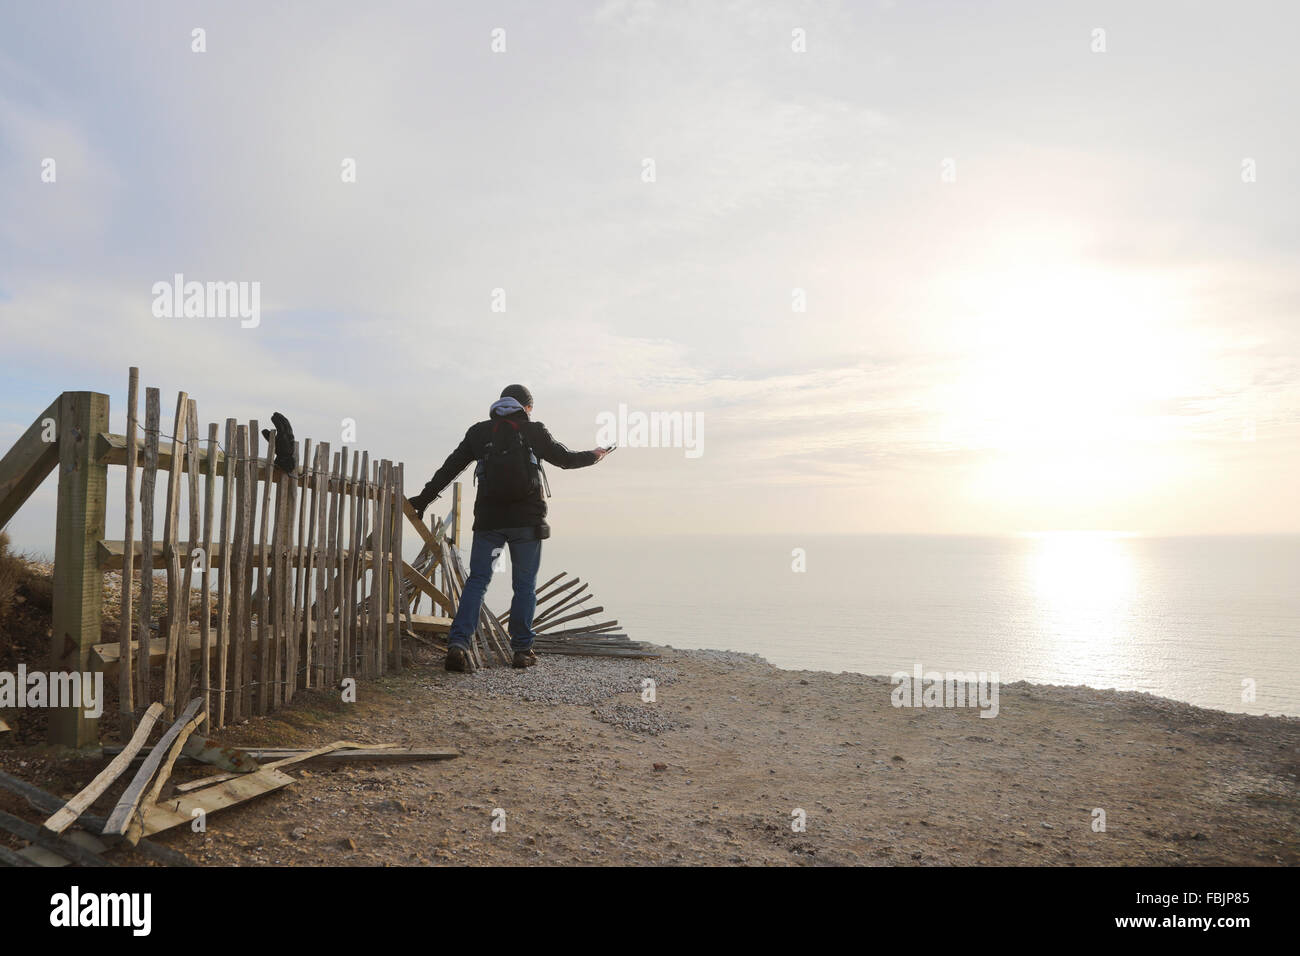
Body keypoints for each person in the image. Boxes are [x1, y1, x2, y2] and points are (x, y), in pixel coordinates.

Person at [408, 385, 609, 671]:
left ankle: (458, 644)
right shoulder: (533, 430)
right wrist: (595, 455)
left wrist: (423, 499)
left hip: (489, 522)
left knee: (477, 582)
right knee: (524, 585)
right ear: (526, 407)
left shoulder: (479, 432)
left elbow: (450, 468)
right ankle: (522, 650)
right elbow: (565, 459)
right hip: (527, 522)